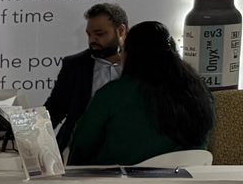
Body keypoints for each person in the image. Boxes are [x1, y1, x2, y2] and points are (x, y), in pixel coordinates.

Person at [70, 20, 215, 166]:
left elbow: (81, 145)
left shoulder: (112, 95)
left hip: (118, 179)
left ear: (132, 55)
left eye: (122, 50)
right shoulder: (199, 91)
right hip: (189, 178)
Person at [45, 3, 129, 146]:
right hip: (79, 149)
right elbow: (55, 108)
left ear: (121, 31)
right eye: (89, 34)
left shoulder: (141, 66)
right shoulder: (74, 65)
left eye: (99, 34)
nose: (92, 40)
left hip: (128, 148)